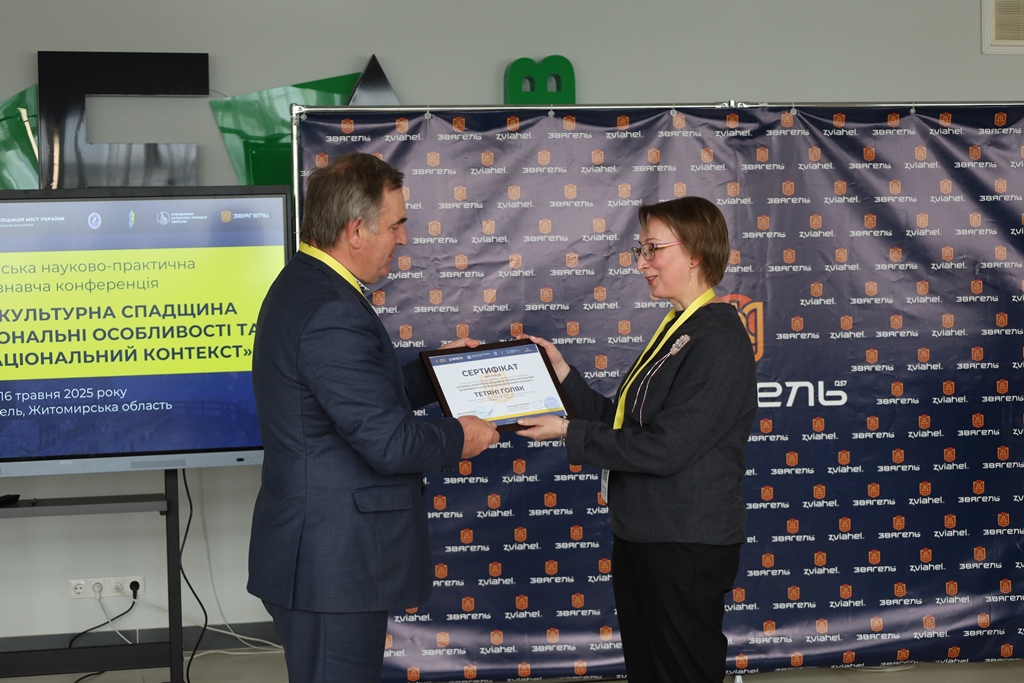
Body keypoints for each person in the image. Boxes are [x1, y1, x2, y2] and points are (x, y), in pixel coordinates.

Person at [247, 152, 499, 683]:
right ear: (355, 230)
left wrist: (436, 372)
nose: (403, 238)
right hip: (330, 564)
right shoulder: (330, 309)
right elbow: (388, 442)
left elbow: (356, 399)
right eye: (396, 225)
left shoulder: (309, 285)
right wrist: (461, 437)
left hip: (324, 556)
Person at [517, 196, 757, 683]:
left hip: (684, 543)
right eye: (640, 250)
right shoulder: (679, 328)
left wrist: (567, 431)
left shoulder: (718, 338)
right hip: (645, 534)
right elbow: (628, 427)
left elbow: (666, 448)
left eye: (653, 249)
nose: (642, 263)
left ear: (695, 253)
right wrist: (564, 377)